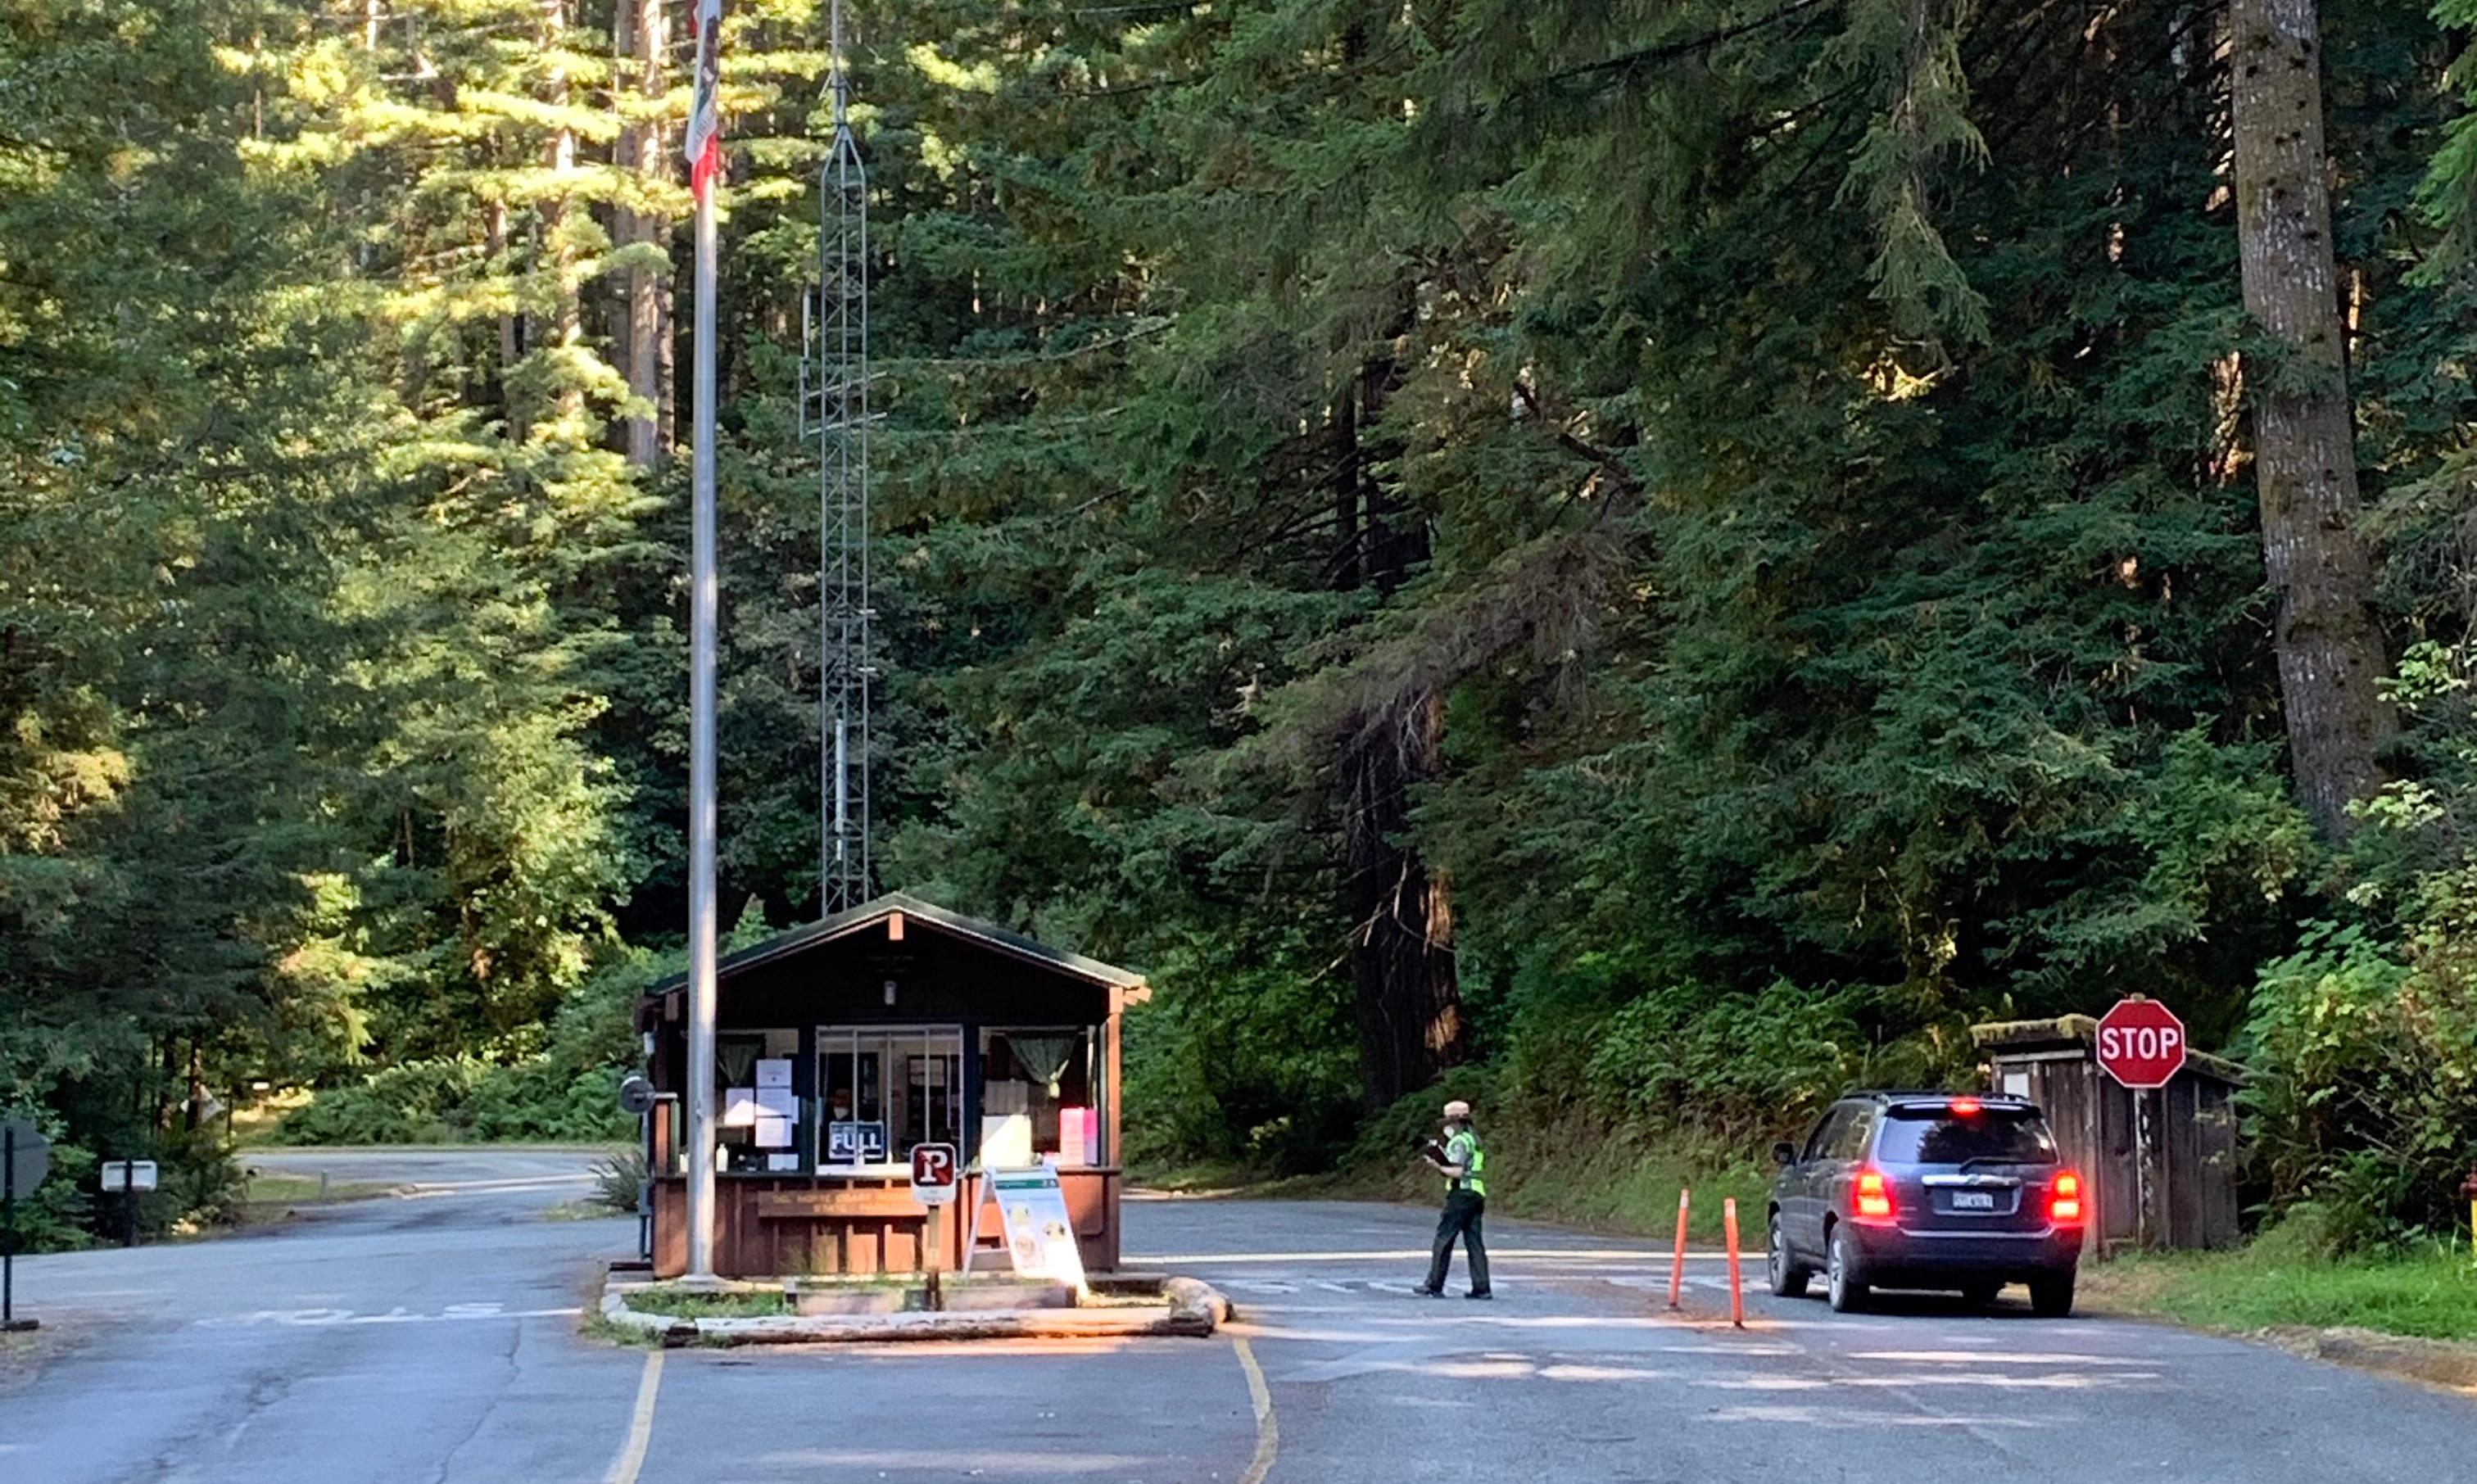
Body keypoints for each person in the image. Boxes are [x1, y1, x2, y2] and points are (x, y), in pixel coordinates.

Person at [1414, 1098, 1491, 1299]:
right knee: (1474, 1242)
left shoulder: (1458, 1141)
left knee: (1444, 1238)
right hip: (1476, 1192)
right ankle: (1482, 1288)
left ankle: (1434, 1284)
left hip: (1461, 1194)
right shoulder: (1474, 1138)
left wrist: (1436, 1165)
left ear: (1452, 1121)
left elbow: (1456, 1171)